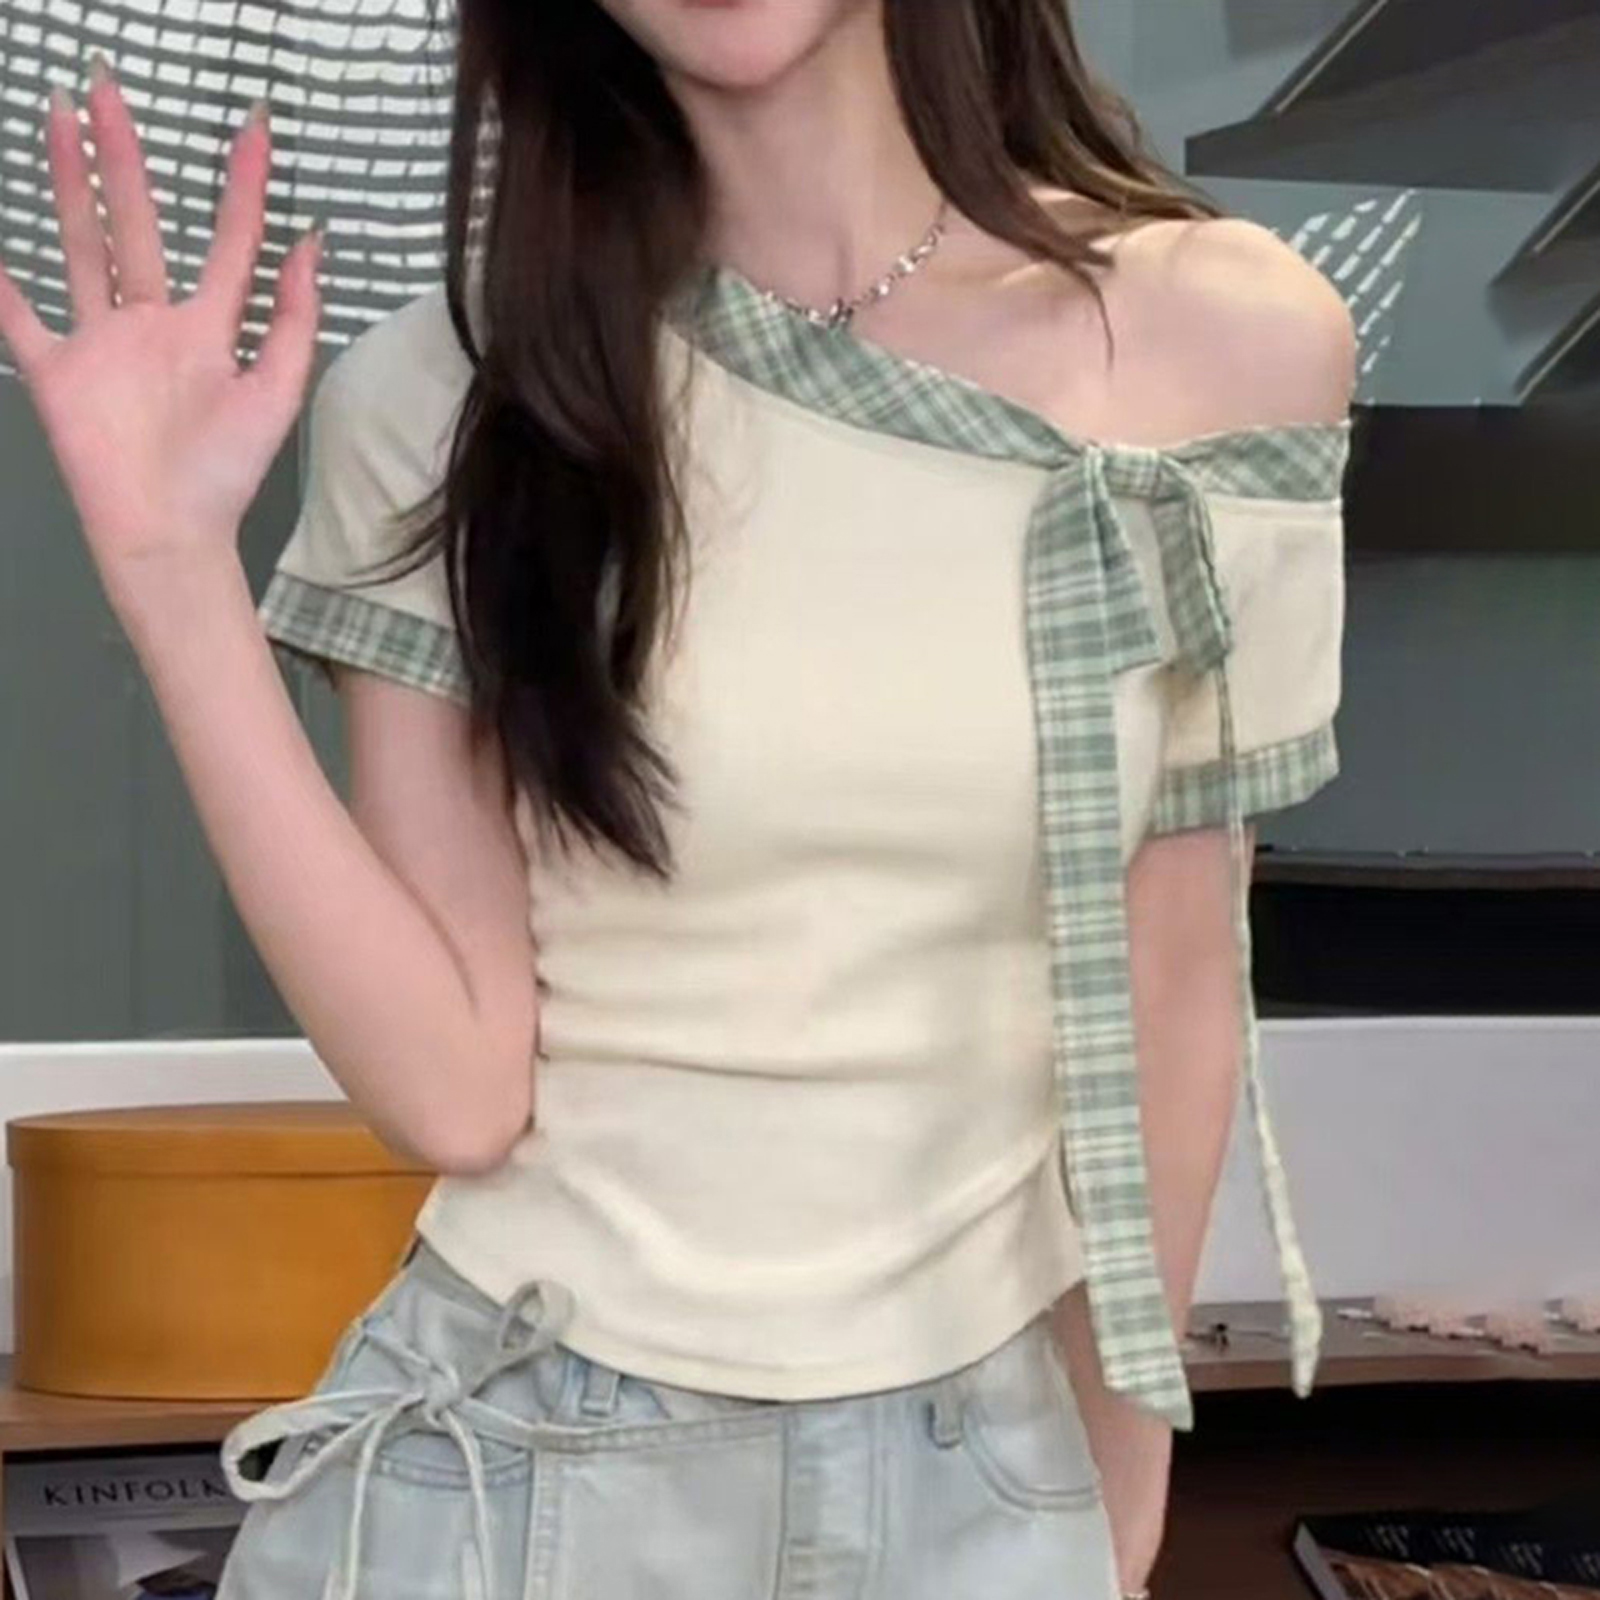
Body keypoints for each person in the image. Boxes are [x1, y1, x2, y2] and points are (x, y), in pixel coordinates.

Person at [0, 2, 1356, 1596]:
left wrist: (1114, 1508)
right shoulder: (447, 395)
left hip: (987, 1474)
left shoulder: (1228, 345)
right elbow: (455, 1092)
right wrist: (172, 572)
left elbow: (1174, 971)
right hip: (509, 1479)